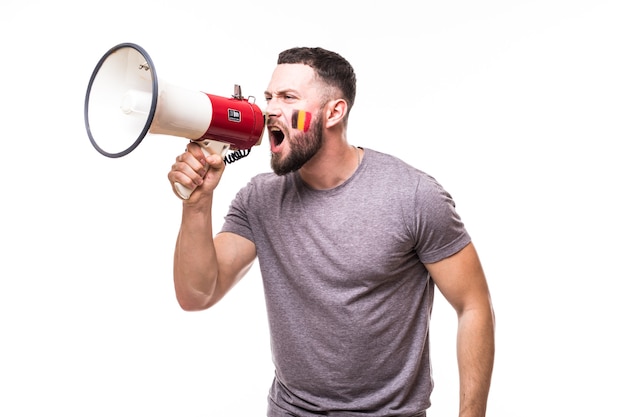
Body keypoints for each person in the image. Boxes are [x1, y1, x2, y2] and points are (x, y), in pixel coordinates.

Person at [167, 46, 495, 417]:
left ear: (334, 112)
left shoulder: (413, 196)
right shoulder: (259, 198)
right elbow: (197, 294)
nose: (269, 110)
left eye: (289, 98)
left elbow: (473, 305)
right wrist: (196, 204)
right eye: (270, 96)